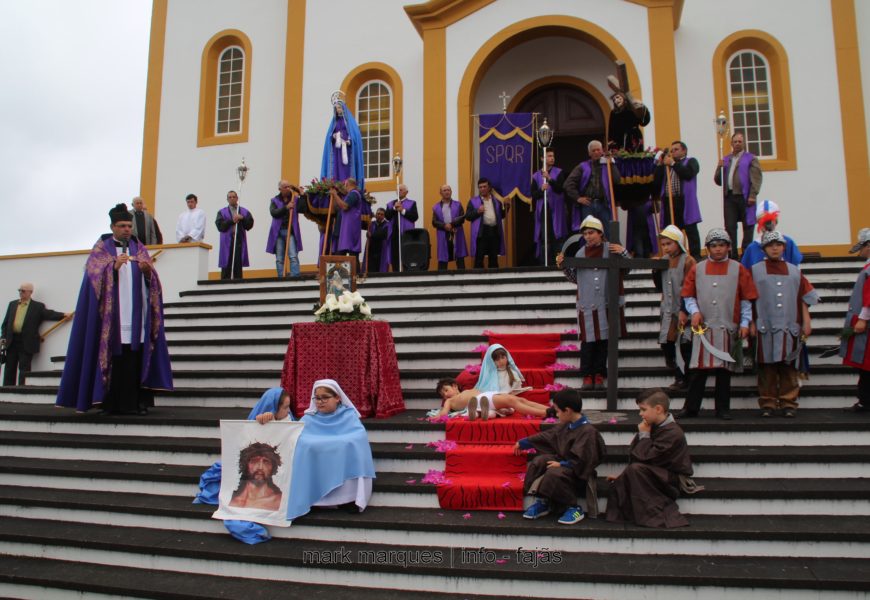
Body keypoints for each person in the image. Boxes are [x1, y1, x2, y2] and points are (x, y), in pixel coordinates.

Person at [55, 203, 173, 414]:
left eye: (129, 225)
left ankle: (136, 403)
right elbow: (92, 276)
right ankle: (107, 403)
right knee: (112, 358)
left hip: (136, 316)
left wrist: (148, 272)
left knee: (133, 359)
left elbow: (152, 280)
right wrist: (113, 268)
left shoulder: (139, 248)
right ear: (112, 227)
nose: (127, 229)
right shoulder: (102, 248)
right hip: (110, 318)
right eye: (122, 226)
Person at [679, 228, 758, 419]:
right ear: (707, 248)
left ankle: (722, 408)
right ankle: (691, 407)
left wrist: (745, 323)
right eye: (713, 246)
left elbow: (746, 299)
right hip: (703, 328)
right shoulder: (697, 268)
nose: (718, 250)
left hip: (727, 326)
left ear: (729, 247)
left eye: (722, 245)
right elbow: (689, 295)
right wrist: (695, 311)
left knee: (724, 371)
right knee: (698, 370)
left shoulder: (738, 269)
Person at [606, 388, 698, 528]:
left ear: (658, 409)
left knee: (635, 470)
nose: (640, 414)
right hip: (654, 474)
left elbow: (647, 458)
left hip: (670, 479)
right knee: (630, 473)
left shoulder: (673, 432)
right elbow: (637, 455)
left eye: (643, 409)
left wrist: (644, 435)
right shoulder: (652, 426)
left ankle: (654, 515)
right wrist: (623, 475)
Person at [750, 231, 819, 418]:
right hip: (765, 324)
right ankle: (768, 402)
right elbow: (747, 298)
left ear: (784, 247)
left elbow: (804, 297)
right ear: (764, 248)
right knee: (767, 367)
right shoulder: (755, 270)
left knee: (789, 366)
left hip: (790, 324)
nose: (775, 248)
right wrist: (750, 322)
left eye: (778, 245)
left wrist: (806, 320)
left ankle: (789, 402)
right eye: (771, 245)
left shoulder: (795, 270)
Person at [514, 388, 607, 525]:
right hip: (564, 464)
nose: (556, 415)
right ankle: (543, 501)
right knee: (539, 461)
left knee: (554, 472)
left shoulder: (588, 432)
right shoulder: (567, 425)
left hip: (578, 471)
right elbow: (548, 436)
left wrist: (562, 464)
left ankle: (573, 507)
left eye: (557, 411)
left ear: (567, 411)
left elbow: (583, 460)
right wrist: (523, 443)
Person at [556, 215, 629, 390]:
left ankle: (599, 374)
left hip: (606, 303)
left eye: (592, 232)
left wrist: (624, 253)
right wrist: (564, 266)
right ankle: (587, 375)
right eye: (586, 234)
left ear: (600, 233)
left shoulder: (611, 250)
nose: (588, 236)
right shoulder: (581, 253)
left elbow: (625, 270)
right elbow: (576, 278)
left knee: (603, 342)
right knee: (588, 342)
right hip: (587, 304)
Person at [286, 379, 375, 519]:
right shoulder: (308, 418)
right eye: (317, 398)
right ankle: (315, 498)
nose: (320, 402)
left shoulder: (349, 416)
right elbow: (298, 438)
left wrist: (331, 443)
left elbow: (358, 438)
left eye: (325, 397)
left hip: (342, 460)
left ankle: (347, 499)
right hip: (317, 460)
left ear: (338, 398)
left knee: (347, 448)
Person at [1, 283, 68, 385]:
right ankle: (6, 391)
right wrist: (3, 337)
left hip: (26, 342)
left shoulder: (37, 306)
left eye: (23, 291)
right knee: (9, 367)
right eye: (19, 290)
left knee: (24, 368)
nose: (20, 293)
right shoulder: (12, 304)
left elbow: (49, 314)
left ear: (30, 292)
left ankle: (22, 390)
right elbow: (5, 323)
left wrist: (63, 315)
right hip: (12, 341)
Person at [656, 226, 695, 391]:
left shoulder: (688, 260)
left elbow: (691, 285)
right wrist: (655, 270)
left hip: (683, 309)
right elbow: (659, 285)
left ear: (678, 243)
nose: (666, 247)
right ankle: (676, 371)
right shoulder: (664, 260)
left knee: (684, 346)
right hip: (668, 310)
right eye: (663, 244)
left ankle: (685, 377)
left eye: (669, 243)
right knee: (668, 343)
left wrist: (685, 310)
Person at [714, 132, 763, 258]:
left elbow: (756, 179)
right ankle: (732, 254)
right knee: (730, 226)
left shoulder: (751, 158)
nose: (737, 144)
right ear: (731, 144)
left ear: (744, 143)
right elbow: (718, 181)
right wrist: (718, 168)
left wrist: (753, 194)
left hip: (745, 196)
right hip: (730, 197)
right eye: (735, 142)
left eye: (739, 141)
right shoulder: (726, 159)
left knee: (748, 226)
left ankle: (746, 253)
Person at [654, 141, 702, 260]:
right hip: (669, 201)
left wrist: (674, 164)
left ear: (684, 150)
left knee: (691, 230)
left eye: (676, 149)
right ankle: (674, 257)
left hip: (684, 201)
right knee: (672, 231)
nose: (673, 152)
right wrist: (660, 166)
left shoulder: (691, 161)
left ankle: (695, 257)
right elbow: (657, 182)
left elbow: (688, 174)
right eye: (672, 150)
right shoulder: (667, 166)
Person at [840, 228, 870, 413]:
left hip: (866, 324)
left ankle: (865, 401)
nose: (861, 251)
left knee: (867, 366)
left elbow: (869, 297)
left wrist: (863, 319)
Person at [564, 140, 621, 233]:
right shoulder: (583, 166)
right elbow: (568, 183)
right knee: (589, 233)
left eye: (598, 150)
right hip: (588, 205)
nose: (596, 152)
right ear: (589, 153)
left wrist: (611, 162)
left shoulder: (607, 165)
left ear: (602, 151)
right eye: (593, 150)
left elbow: (617, 180)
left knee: (607, 233)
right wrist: (578, 198)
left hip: (604, 204)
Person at [434, 378, 548, 420]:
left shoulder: (466, 391)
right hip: (480, 400)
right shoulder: (449, 401)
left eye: (446, 390)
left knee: (521, 400)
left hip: (488, 396)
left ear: (454, 386)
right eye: (442, 395)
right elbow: (444, 413)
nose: (445, 395)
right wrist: (438, 415)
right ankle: (544, 413)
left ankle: (549, 409)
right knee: (513, 402)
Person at [530, 149, 569, 265]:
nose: (552, 158)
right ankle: (545, 264)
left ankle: (560, 264)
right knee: (544, 236)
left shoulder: (559, 172)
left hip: (557, 210)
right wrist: (541, 190)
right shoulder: (536, 176)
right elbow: (534, 195)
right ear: (542, 159)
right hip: (543, 210)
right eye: (549, 156)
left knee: (558, 236)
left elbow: (561, 189)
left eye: (553, 156)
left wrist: (550, 179)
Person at [740, 200, 803, 268]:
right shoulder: (752, 248)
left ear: (776, 222)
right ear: (758, 223)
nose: (768, 226)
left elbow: (796, 269)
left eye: (770, 221)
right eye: (764, 222)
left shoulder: (788, 243)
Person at [465, 178, 509, 269]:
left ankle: (494, 281)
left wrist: (507, 206)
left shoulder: (496, 200)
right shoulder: (473, 201)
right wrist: (477, 211)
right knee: (479, 258)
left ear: (489, 188)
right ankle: (478, 281)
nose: (482, 189)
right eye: (480, 187)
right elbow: (468, 216)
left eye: (484, 186)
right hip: (481, 232)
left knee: (493, 258)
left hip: (494, 231)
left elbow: (501, 215)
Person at [229, 442, 284, 511]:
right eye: (255, 461)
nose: (260, 467)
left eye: (266, 462)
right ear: (246, 465)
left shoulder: (278, 501)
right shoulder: (231, 499)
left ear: (273, 467)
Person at [266, 180, 303, 278]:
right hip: (278, 232)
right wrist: (286, 207)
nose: (288, 188)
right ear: (280, 189)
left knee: (293, 256)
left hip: (290, 231)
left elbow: (303, 208)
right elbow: (274, 213)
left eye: (288, 186)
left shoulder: (295, 199)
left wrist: (302, 194)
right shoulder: (274, 200)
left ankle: (295, 276)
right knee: (279, 258)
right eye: (285, 187)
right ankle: (281, 277)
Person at [216, 190, 254, 280]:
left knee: (237, 262)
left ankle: (238, 283)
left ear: (237, 198)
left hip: (239, 241)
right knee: (226, 263)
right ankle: (224, 285)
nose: (232, 198)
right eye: (230, 197)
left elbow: (249, 225)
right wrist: (231, 221)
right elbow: (220, 226)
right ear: (227, 199)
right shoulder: (221, 212)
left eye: (234, 197)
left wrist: (242, 218)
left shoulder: (244, 211)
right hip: (226, 242)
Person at [431, 184, 468, 270]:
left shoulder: (458, 204)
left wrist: (452, 224)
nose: (447, 192)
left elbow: (462, 218)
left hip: (456, 232)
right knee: (443, 256)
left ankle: (462, 277)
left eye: (448, 190)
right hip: (443, 234)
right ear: (440, 193)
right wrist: (444, 226)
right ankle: (441, 278)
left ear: (451, 192)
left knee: (459, 255)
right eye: (444, 190)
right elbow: (434, 222)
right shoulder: (436, 207)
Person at [384, 184, 419, 272]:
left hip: (406, 232)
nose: (399, 191)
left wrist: (402, 211)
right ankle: (396, 272)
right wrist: (394, 208)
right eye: (398, 190)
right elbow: (387, 216)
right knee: (395, 253)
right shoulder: (390, 204)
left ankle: (407, 271)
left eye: (401, 190)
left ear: (406, 192)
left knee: (406, 252)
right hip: (394, 232)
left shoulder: (412, 203)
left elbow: (414, 217)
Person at [329, 178, 362, 266]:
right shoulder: (351, 194)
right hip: (348, 229)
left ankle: (356, 276)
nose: (344, 187)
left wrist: (335, 195)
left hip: (351, 229)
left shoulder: (353, 194)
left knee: (352, 255)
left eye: (344, 185)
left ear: (347, 184)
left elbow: (345, 206)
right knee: (342, 254)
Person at [363, 207, 390, 273]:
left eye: (381, 214)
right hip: (371, 250)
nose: (379, 215)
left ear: (384, 216)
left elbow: (382, 234)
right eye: (378, 214)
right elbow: (362, 225)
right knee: (370, 270)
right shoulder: (371, 223)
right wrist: (368, 216)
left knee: (380, 271)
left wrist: (371, 235)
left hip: (381, 250)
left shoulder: (387, 225)